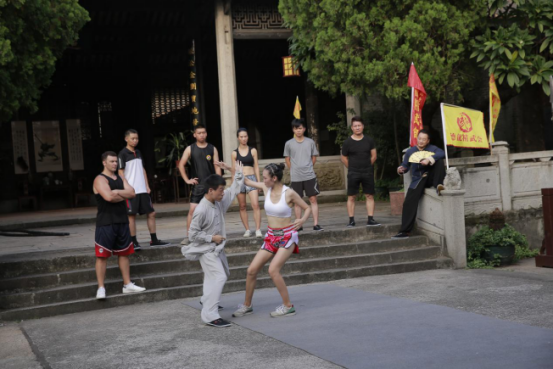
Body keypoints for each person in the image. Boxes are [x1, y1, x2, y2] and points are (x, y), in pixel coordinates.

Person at [230, 163, 311, 318]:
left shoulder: (289, 193)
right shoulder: (266, 188)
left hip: (287, 236)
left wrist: (302, 220)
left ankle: (288, 306)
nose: (263, 180)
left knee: (273, 270)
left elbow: (306, 208)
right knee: (251, 270)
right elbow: (247, 182)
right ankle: (247, 305)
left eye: (266, 177)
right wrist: (233, 170)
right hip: (271, 236)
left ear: (274, 178)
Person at [181, 161, 245, 328]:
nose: (223, 193)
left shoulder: (218, 201)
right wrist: (212, 238)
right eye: (220, 190)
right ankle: (210, 314)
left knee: (219, 275)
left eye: (222, 190)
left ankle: (206, 300)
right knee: (219, 276)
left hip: (216, 249)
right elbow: (192, 234)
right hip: (206, 250)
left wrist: (237, 174)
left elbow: (233, 191)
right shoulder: (201, 210)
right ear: (211, 190)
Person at [93, 151, 146, 299]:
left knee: (124, 253)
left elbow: (133, 193)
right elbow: (108, 197)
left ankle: (127, 284)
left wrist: (117, 191)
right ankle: (101, 288)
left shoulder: (120, 177)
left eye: (116, 161)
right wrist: (120, 194)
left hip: (122, 220)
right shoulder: (100, 179)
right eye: (111, 161)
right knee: (102, 256)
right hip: (105, 222)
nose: (115, 164)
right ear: (104, 162)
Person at [118, 129, 170, 250]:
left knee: (152, 213)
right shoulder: (122, 154)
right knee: (131, 216)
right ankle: (133, 242)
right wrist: (126, 187)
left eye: (137, 138)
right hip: (131, 190)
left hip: (142, 189)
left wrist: (147, 185)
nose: (135, 141)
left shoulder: (138, 152)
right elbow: (120, 172)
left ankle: (154, 239)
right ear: (126, 139)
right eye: (132, 138)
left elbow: (142, 169)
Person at [393, 129, 445, 239]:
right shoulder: (410, 151)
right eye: (419, 139)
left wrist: (430, 159)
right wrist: (401, 169)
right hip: (418, 179)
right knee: (408, 202)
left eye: (424, 139)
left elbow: (442, 153)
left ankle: (439, 185)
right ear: (417, 139)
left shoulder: (433, 148)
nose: (421, 141)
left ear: (428, 141)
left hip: (431, 178)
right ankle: (405, 231)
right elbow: (405, 165)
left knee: (439, 160)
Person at [178, 125, 222, 245]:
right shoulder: (190, 148)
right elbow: (181, 164)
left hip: (211, 187)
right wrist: (187, 180)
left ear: (206, 134)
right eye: (199, 133)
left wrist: (219, 184)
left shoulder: (212, 148)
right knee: (192, 210)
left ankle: (213, 235)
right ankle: (189, 236)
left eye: (203, 132)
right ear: (194, 135)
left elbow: (217, 167)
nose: (201, 135)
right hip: (198, 186)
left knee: (213, 211)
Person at [284, 119, 323, 232]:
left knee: (313, 199)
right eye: (296, 128)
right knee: (297, 201)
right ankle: (298, 225)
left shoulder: (310, 142)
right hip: (296, 177)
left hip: (309, 176)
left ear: (304, 129)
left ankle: (316, 224)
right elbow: (287, 158)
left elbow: (314, 156)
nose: (298, 131)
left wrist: (309, 166)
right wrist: (294, 169)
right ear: (293, 130)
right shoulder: (289, 143)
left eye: (300, 128)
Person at [340, 116, 381, 227]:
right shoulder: (348, 142)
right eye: (355, 126)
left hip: (367, 171)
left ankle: (371, 219)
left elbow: (374, 156)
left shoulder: (369, 140)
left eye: (359, 125)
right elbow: (343, 158)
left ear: (363, 127)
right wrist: (352, 167)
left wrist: (367, 165)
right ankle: (351, 220)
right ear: (352, 128)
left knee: (369, 195)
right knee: (351, 196)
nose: (357, 128)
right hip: (353, 172)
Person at [231, 128, 263, 238]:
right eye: (241, 137)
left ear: (248, 137)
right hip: (240, 180)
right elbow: (233, 170)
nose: (244, 138)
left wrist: (258, 183)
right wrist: (233, 185)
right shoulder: (234, 153)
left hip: (251, 178)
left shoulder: (253, 150)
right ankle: (247, 229)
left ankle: (258, 229)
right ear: (238, 138)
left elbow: (257, 167)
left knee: (255, 204)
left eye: (245, 136)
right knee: (242, 206)